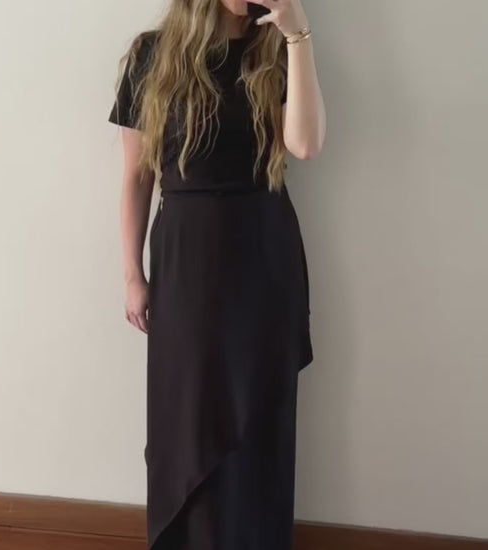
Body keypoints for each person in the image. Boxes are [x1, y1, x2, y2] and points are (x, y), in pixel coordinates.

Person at [107, 0, 326, 548]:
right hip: (187, 261)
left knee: (259, 421)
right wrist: (133, 274)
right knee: (189, 421)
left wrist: (298, 34)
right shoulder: (151, 54)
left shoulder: (276, 51)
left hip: (264, 258)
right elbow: (136, 176)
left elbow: (306, 144)